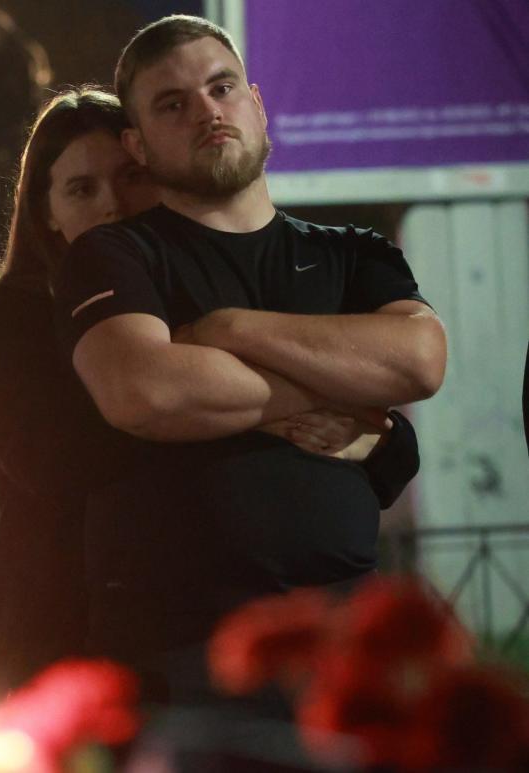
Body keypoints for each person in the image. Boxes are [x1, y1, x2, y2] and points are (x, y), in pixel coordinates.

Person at [0, 85, 421, 700]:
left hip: (240, 635)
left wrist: (374, 430)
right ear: (44, 212)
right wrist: (273, 406)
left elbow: (392, 454)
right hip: (73, 634)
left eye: (131, 176)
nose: (113, 204)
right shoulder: (19, 314)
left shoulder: (210, 288)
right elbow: (55, 457)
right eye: (81, 189)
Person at [52, 15, 446, 708]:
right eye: (173, 104)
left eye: (221, 87)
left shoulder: (353, 253)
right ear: (137, 144)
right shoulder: (117, 256)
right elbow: (146, 391)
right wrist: (332, 392)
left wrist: (228, 329)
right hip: (180, 655)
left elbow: (419, 359)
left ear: (256, 105)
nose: (206, 110)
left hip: (344, 644)